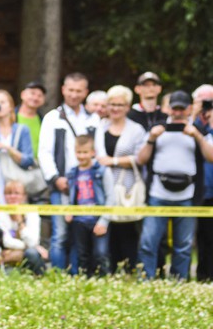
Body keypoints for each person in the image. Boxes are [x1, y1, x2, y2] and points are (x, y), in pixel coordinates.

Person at [137, 90, 213, 280]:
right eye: (174, 108)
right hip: (158, 194)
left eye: (181, 108)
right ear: (169, 109)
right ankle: (146, 278)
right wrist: (152, 138)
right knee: (149, 241)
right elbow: (140, 159)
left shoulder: (198, 131)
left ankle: (180, 280)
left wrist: (196, 135)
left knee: (184, 245)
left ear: (189, 109)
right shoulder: (157, 129)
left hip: (186, 195)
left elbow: (210, 157)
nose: (178, 112)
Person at [38, 72, 100, 271]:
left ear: (85, 92)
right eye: (70, 90)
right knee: (60, 234)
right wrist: (56, 179)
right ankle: (57, 274)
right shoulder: (52, 118)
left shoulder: (93, 119)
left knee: (79, 234)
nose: (74, 94)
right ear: (63, 90)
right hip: (62, 185)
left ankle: (76, 274)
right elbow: (44, 152)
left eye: (78, 91)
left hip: (87, 185)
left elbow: (98, 151)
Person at [93, 85, 146, 273]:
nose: (115, 108)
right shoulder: (100, 126)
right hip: (103, 187)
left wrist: (113, 161)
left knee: (127, 231)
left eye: (120, 104)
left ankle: (131, 270)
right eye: (112, 104)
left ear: (127, 106)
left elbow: (140, 158)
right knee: (108, 231)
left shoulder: (136, 130)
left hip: (126, 186)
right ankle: (110, 272)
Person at [65, 135, 114, 276]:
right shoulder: (72, 172)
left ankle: (105, 281)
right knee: (82, 255)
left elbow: (111, 197)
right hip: (79, 221)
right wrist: (69, 210)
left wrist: (104, 221)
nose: (81, 156)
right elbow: (70, 195)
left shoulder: (103, 171)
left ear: (93, 152)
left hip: (98, 220)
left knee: (101, 253)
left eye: (85, 152)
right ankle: (85, 283)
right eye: (78, 152)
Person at [0, 181, 47, 275]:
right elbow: (6, 241)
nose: (12, 196)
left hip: (19, 255)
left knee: (32, 253)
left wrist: (20, 222)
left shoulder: (32, 213)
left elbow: (33, 241)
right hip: (7, 258)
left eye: (16, 193)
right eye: (9, 193)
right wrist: (28, 246)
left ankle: (41, 279)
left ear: (24, 196)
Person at [193, 85, 213, 282]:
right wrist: (194, 115)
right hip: (200, 191)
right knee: (202, 237)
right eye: (203, 101)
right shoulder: (192, 125)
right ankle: (202, 275)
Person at [17, 81, 46, 160]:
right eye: (32, 93)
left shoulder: (44, 120)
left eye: (40, 96)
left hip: (37, 165)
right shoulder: (11, 117)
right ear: (22, 95)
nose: (35, 98)